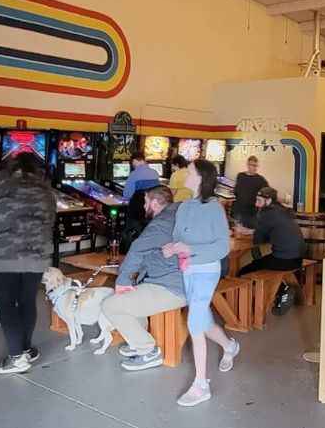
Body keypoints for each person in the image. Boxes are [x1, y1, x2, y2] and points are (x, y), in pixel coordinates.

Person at [164, 159, 237, 407]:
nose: (186, 173)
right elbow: (177, 237)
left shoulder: (215, 208)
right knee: (202, 320)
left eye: (191, 170)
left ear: (201, 178)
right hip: (188, 270)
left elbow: (222, 247)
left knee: (194, 322)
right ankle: (229, 346)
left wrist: (189, 249)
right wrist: (172, 248)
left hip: (207, 271)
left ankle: (201, 385)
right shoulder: (183, 206)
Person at [0, 153, 56, 375]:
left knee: (6, 306)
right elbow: (51, 220)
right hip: (36, 256)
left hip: (4, 255)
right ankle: (25, 349)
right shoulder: (45, 189)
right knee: (26, 301)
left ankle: (16, 358)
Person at [102, 186, 186, 371]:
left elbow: (138, 249)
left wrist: (123, 281)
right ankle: (138, 342)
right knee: (132, 296)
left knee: (110, 305)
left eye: (146, 202)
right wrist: (133, 280)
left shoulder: (161, 222)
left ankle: (147, 351)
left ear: (155, 203)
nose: (144, 206)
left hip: (171, 287)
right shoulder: (177, 215)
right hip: (175, 282)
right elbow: (148, 254)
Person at [238, 187, 305, 274]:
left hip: (285, 260)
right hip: (298, 259)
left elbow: (258, 240)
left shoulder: (267, 213)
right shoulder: (281, 209)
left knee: (244, 271)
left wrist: (246, 232)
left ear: (268, 200)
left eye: (259, 201)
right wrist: (251, 231)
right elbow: (274, 230)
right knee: (259, 261)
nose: (256, 204)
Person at [231, 155, 268, 228]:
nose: (254, 168)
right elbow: (236, 190)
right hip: (238, 209)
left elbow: (269, 192)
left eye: (256, 166)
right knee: (237, 232)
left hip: (251, 212)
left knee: (248, 233)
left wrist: (283, 199)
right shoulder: (240, 176)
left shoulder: (260, 179)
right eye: (252, 165)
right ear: (248, 165)